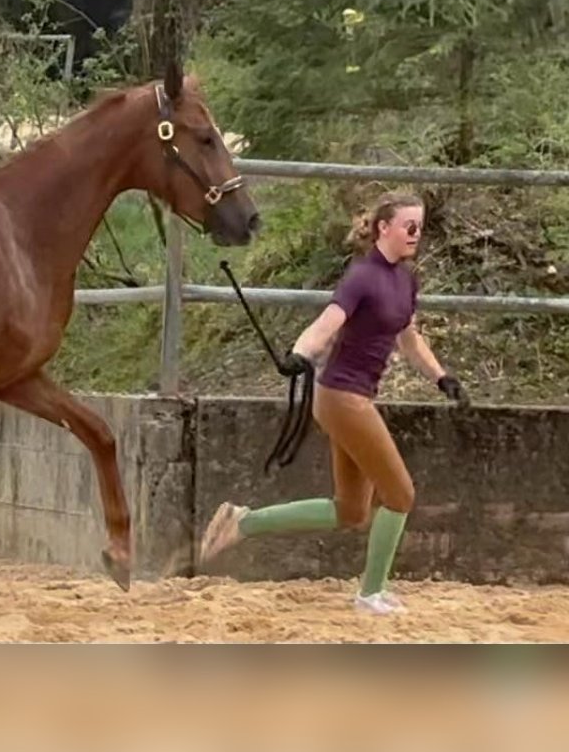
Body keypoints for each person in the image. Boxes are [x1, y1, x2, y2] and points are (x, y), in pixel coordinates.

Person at [198, 191, 470, 615]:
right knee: (400, 494)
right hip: (342, 397)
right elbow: (326, 324)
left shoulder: (406, 278)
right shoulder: (362, 276)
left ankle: (243, 521)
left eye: (420, 226)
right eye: (408, 226)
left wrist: (442, 377)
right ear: (384, 228)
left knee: (351, 510)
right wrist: (300, 354)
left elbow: (409, 337)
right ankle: (371, 593)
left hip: (352, 397)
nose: (417, 233)